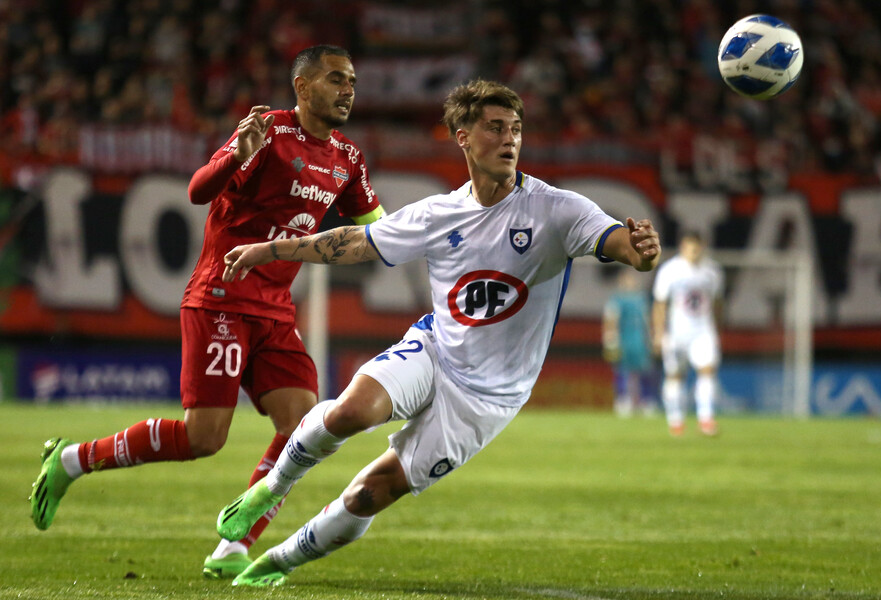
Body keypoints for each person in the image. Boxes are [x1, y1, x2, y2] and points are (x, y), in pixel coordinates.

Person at [212, 79, 661, 587]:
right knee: (351, 411)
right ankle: (272, 488)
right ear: (463, 137)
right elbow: (356, 241)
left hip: (489, 396)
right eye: (495, 128)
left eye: (515, 129)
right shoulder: (438, 213)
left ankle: (276, 562)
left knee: (368, 494)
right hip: (436, 348)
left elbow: (618, 242)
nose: (509, 139)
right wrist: (269, 250)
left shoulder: (557, 210)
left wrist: (641, 252)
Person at [28, 45, 384, 579]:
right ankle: (73, 461)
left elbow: (378, 226)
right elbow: (198, 190)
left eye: (352, 80)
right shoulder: (267, 133)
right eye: (336, 79)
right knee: (204, 439)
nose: (348, 89)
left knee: (304, 424)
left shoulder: (348, 159)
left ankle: (233, 547)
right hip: (221, 297)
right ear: (303, 87)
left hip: (275, 311)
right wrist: (236, 156)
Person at [651, 231, 723, 436]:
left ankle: (706, 419)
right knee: (675, 376)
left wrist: (717, 329)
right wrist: (658, 333)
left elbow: (718, 303)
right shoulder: (670, 270)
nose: (694, 252)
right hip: (676, 333)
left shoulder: (713, 272)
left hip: (703, 331)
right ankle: (676, 421)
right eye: (691, 248)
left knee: (707, 371)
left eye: (697, 248)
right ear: (683, 247)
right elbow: (660, 304)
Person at [603, 268, 656, 416]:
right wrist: (610, 339)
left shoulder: (641, 299)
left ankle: (646, 401)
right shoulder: (616, 300)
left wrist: (651, 336)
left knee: (645, 370)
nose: (630, 282)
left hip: (640, 339)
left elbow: (647, 319)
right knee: (623, 370)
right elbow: (611, 319)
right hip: (624, 339)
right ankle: (623, 400)